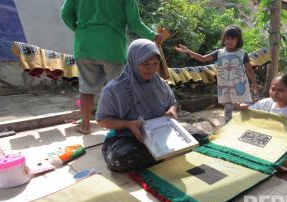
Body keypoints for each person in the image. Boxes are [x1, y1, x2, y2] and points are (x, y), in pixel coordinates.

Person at [61, 0, 162, 134]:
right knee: (122, 88)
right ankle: (124, 126)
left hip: (85, 45)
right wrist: (153, 36)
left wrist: (80, 29)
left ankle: (85, 126)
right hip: (113, 46)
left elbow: (65, 14)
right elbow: (134, 23)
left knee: (86, 88)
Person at [96, 39, 177, 172]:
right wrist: (127, 124)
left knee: (199, 136)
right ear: (133, 61)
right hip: (128, 137)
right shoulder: (115, 88)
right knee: (119, 159)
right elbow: (102, 120)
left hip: (159, 134)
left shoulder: (159, 83)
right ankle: (161, 153)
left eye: (155, 64)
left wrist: (172, 111)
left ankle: (159, 153)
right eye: (145, 64)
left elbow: (172, 103)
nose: (151, 69)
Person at [174, 25, 258, 123]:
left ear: (238, 40)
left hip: (239, 86)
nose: (229, 41)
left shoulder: (242, 53)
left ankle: (245, 126)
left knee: (245, 108)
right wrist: (188, 51)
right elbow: (202, 58)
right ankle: (227, 128)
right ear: (223, 39)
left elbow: (249, 69)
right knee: (228, 110)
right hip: (225, 86)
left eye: (233, 38)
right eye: (227, 38)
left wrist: (254, 83)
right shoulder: (219, 52)